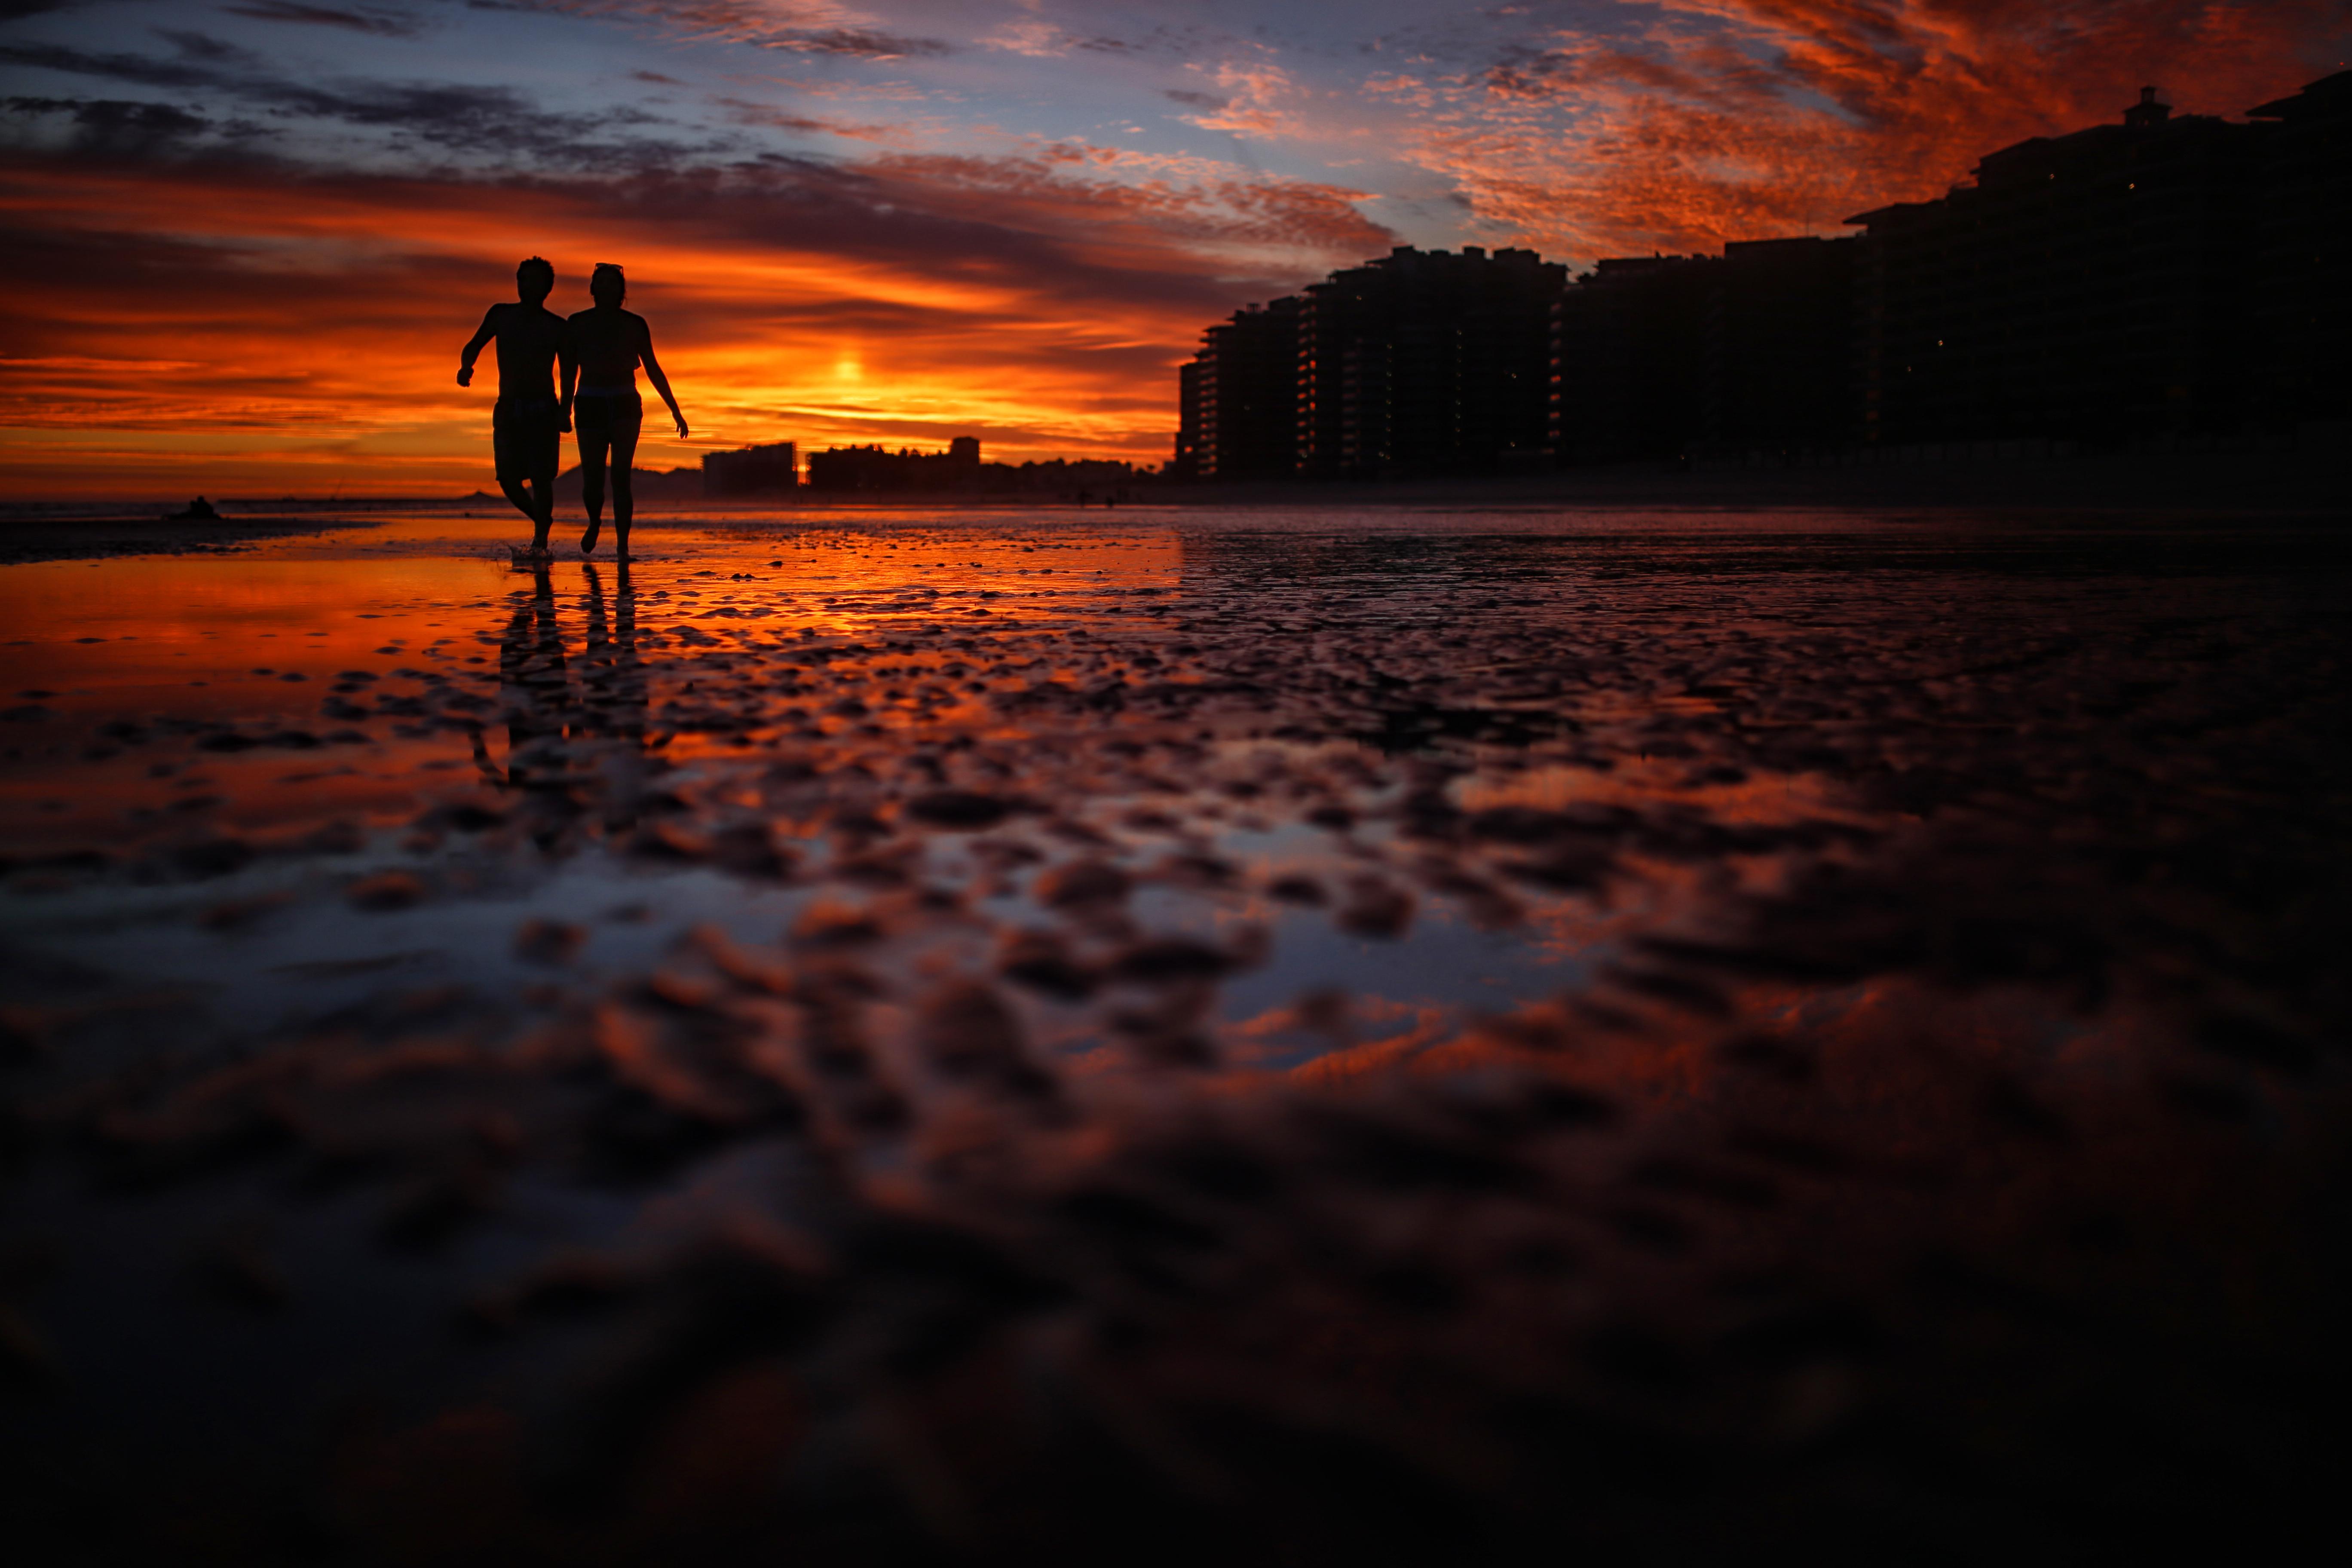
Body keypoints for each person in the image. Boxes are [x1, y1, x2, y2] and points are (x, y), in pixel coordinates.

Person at [560, 263, 687, 559]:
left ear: (621, 290)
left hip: (625, 402)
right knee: (592, 477)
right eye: (599, 283)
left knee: (621, 476)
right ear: (592, 289)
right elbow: (568, 371)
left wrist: (675, 410)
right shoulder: (576, 323)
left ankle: (622, 546)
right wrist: (564, 409)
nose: (605, 288)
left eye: (611, 283)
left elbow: (653, 368)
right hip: (589, 401)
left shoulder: (635, 324)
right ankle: (594, 521)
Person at [457, 257, 569, 554]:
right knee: (507, 479)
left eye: (534, 280)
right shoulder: (501, 315)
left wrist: (565, 410)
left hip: (544, 409)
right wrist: (467, 367)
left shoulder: (556, 327)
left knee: (542, 478)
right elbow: (474, 345)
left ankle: (540, 541)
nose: (526, 286)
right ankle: (542, 520)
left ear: (548, 287)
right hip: (509, 407)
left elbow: (570, 371)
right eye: (522, 280)